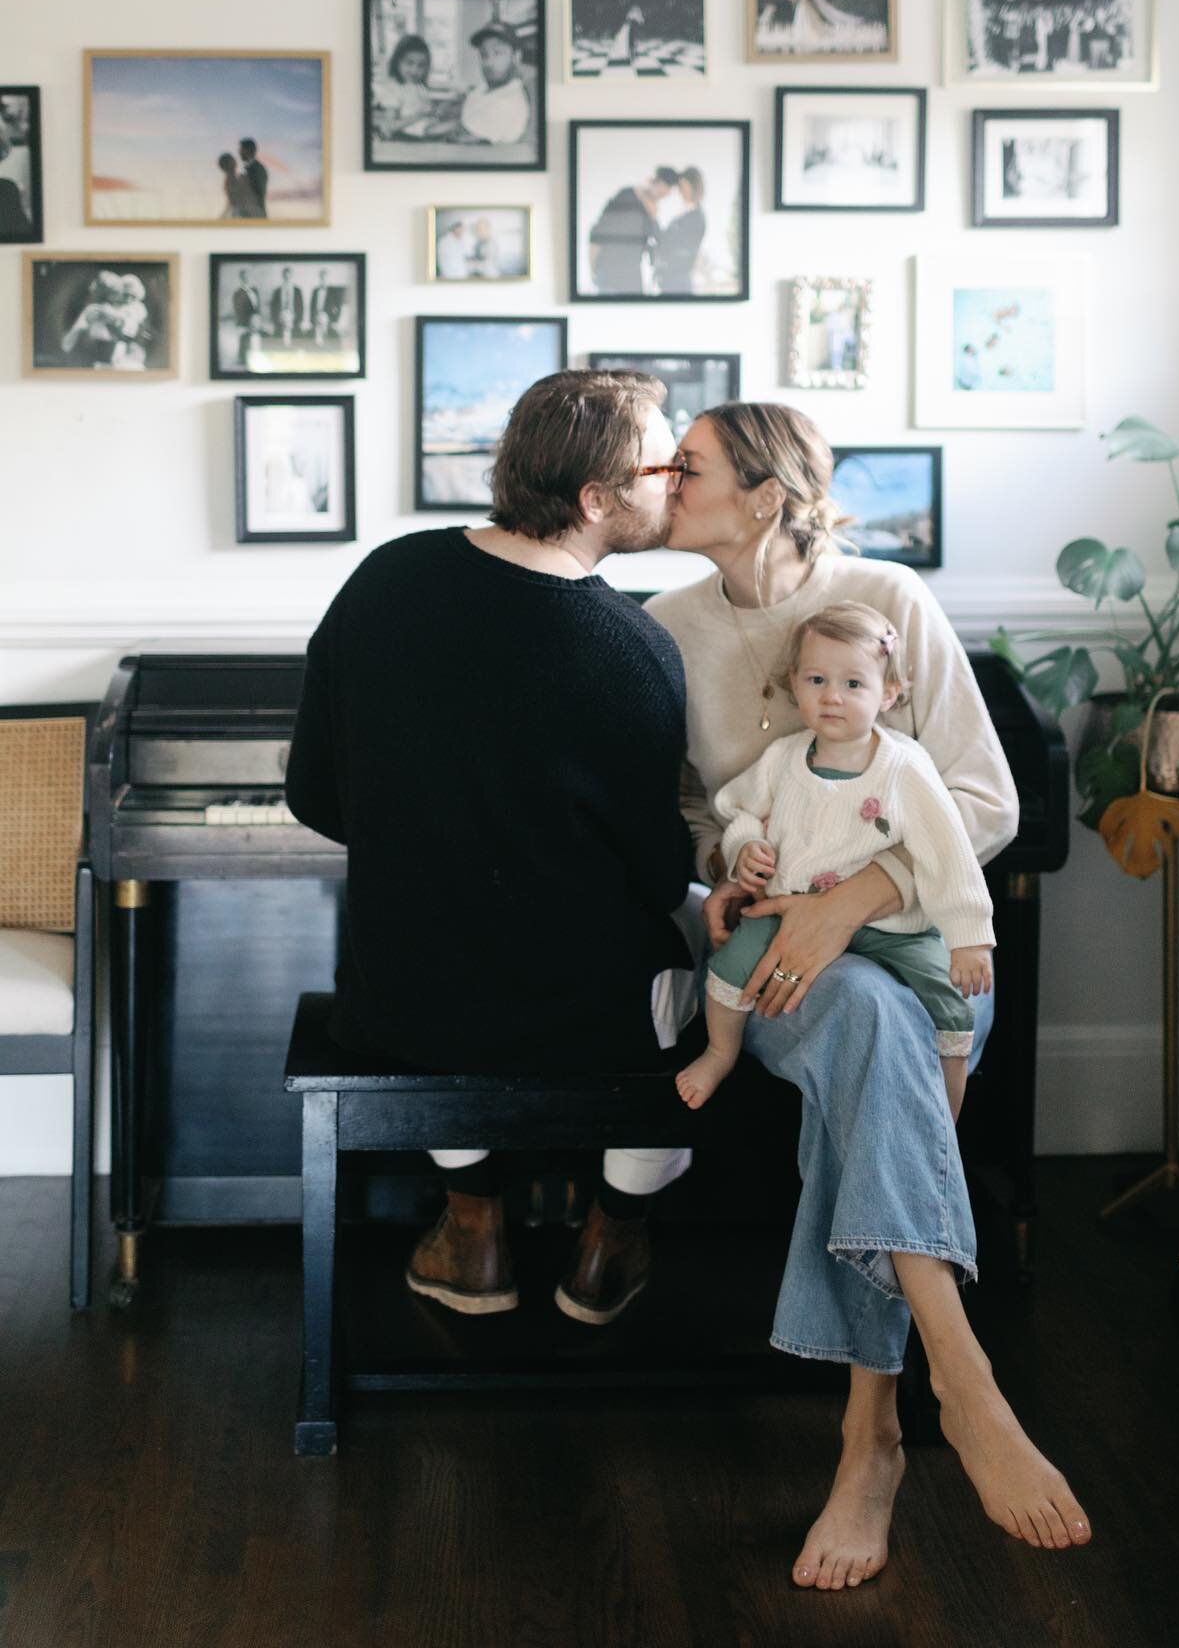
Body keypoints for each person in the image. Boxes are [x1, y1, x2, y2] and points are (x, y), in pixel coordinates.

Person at [645, 401, 1090, 1586]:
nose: (662, 477)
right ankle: (955, 1377)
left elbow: (987, 802)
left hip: (915, 948)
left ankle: (875, 1439)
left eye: (687, 467)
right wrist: (723, 876)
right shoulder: (662, 627)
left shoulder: (890, 605)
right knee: (864, 1033)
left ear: (768, 499)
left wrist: (859, 896)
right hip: (772, 960)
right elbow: (690, 815)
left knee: (884, 1024)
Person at [284, 370, 705, 1328]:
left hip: (406, 1005)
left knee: (426, 960)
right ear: (596, 500)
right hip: (584, 1025)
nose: (676, 480)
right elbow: (652, 869)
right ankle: (613, 1230)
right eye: (662, 464)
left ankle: (475, 1227)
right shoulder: (634, 649)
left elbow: (313, 794)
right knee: (701, 976)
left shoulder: (385, 579)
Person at [676, 600, 991, 1112]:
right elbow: (741, 813)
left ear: (888, 693)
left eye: (853, 684)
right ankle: (718, 1052)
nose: (832, 698)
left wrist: (969, 938)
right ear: (794, 685)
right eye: (816, 680)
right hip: (790, 914)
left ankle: (945, 1117)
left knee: (952, 1010)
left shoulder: (905, 768)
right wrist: (743, 849)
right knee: (730, 965)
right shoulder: (783, 758)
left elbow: (949, 852)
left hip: (897, 928)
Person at [588, 166, 676, 295]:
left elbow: (658, 241)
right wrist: (593, 269)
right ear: (656, 183)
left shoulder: (651, 211)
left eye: (666, 194)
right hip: (609, 273)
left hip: (632, 276)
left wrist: (653, 217)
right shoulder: (625, 196)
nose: (663, 197)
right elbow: (597, 235)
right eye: (663, 191)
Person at [460, 23, 532, 146]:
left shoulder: (509, 102)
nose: (488, 62)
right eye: (484, 54)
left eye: (497, 53)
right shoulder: (484, 88)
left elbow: (461, 138)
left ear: (516, 57)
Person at [372, 33, 441, 139]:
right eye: (409, 63)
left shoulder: (418, 86)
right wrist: (420, 116)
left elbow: (423, 109)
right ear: (397, 62)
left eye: (421, 65)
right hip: (405, 137)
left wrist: (435, 111)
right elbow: (389, 127)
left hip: (423, 131)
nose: (415, 70)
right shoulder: (393, 89)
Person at [653, 166, 705, 296]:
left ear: (693, 187)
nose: (680, 191)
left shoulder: (696, 217)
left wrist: (652, 218)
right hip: (670, 280)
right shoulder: (683, 213)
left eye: (683, 186)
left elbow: (673, 244)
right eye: (680, 187)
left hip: (678, 281)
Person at [309, 267, 346, 346]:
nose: (323, 281)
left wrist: (334, 320)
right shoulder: (315, 291)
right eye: (322, 278)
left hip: (329, 320)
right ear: (320, 278)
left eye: (325, 278)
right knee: (315, 340)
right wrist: (312, 320)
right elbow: (311, 307)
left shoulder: (333, 291)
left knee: (328, 339)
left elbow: (338, 307)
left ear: (328, 279)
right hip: (316, 320)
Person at [270, 265, 303, 344]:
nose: (287, 278)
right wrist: (276, 321)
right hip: (280, 323)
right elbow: (273, 308)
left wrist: (298, 321)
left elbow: (301, 307)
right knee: (279, 343)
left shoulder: (297, 290)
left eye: (288, 276)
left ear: (291, 276)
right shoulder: (277, 291)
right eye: (285, 276)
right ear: (283, 276)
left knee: (295, 343)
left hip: (294, 323)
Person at [238, 138, 268, 217]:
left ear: (248, 150)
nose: (239, 152)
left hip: (255, 214)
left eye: (241, 150)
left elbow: (258, 192)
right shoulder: (251, 167)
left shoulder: (257, 168)